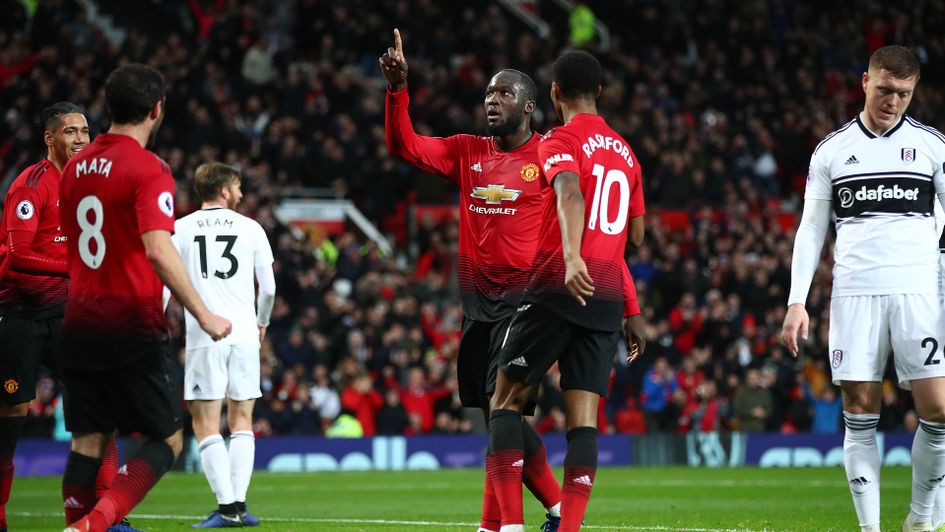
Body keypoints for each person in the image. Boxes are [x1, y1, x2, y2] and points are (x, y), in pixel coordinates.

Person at [380, 28, 563, 531]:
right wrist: (398, 92)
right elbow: (406, 146)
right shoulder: (467, 152)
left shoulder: (549, 157)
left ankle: (503, 526)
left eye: (504, 93)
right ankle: (555, 509)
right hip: (477, 306)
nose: (492, 100)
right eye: (488, 94)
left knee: (502, 416)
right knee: (500, 420)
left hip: (526, 304)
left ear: (529, 106)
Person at [59, 64, 231, 532]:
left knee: (87, 444)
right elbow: (158, 248)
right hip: (129, 323)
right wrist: (205, 314)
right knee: (168, 439)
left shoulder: (74, 167)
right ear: (157, 110)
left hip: (77, 321)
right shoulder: (148, 168)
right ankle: (91, 527)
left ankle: (78, 522)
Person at [780, 45, 945, 532]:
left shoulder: (933, 146)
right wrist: (796, 302)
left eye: (905, 93)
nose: (893, 101)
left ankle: (919, 518)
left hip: (919, 292)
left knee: (938, 410)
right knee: (859, 412)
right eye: (885, 89)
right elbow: (811, 229)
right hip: (855, 293)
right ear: (865, 82)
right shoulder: (831, 150)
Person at [488, 50, 645, 532]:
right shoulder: (627, 152)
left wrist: (574, 256)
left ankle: (509, 527)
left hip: (560, 282)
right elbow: (632, 238)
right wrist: (631, 308)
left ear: (554, 92)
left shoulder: (558, 139)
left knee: (505, 401)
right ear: (599, 91)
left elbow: (570, 192)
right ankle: (569, 527)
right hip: (607, 295)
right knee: (584, 419)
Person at [0, 102, 98, 531]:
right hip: (19, 314)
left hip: (64, 313)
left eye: (85, 130)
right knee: (11, 414)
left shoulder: (88, 186)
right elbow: (17, 256)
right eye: (71, 131)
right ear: (49, 138)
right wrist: (75, 268)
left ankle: (95, 520)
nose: (80, 139)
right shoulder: (31, 185)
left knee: (97, 407)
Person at [170, 162, 275, 527]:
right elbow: (270, 288)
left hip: (203, 336)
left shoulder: (178, 229)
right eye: (239, 187)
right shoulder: (251, 228)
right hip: (245, 335)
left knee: (206, 424)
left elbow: (164, 285)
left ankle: (227, 507)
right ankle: (240, 507)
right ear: (226, 191)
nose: (243, 194)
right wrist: (262, 323)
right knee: (243, 420)